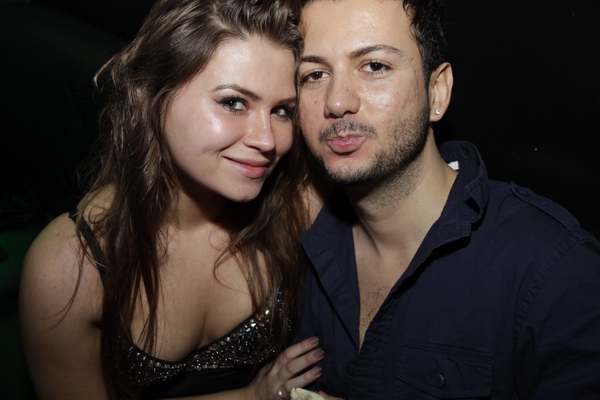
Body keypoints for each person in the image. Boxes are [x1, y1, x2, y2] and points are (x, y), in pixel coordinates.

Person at [293, 0, 600, 399]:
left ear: (436, 91)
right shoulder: (304, 245)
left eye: (375, 66)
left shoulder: (553, 270)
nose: (337, 101)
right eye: (315, 75)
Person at [19, 0, 324, 398]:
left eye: (282, 111)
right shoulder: (71, 267)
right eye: (233, 103)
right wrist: (248, 396)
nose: (268, 140)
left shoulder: (301, 206)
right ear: (153, 94)